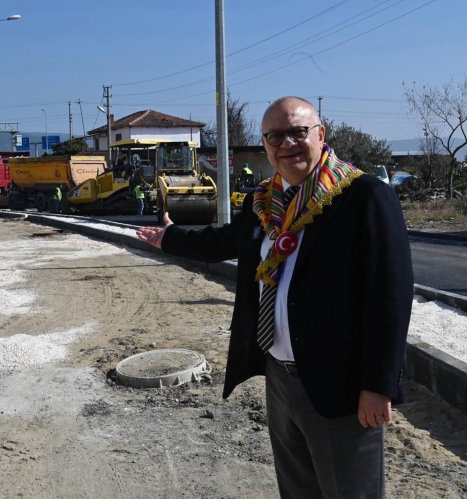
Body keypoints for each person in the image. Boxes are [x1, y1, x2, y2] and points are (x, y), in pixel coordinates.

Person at [136, 96, 413, 498]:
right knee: (298, 490)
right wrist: (170, 238)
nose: (288, 143)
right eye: (275, 136)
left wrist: (379, 385)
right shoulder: (265, 201)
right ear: (265, 144)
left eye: (298, 132)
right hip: (280, 377)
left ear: (320, 134)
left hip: (341, 384)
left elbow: (390, 295)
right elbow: (226, 242)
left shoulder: (363, 197)